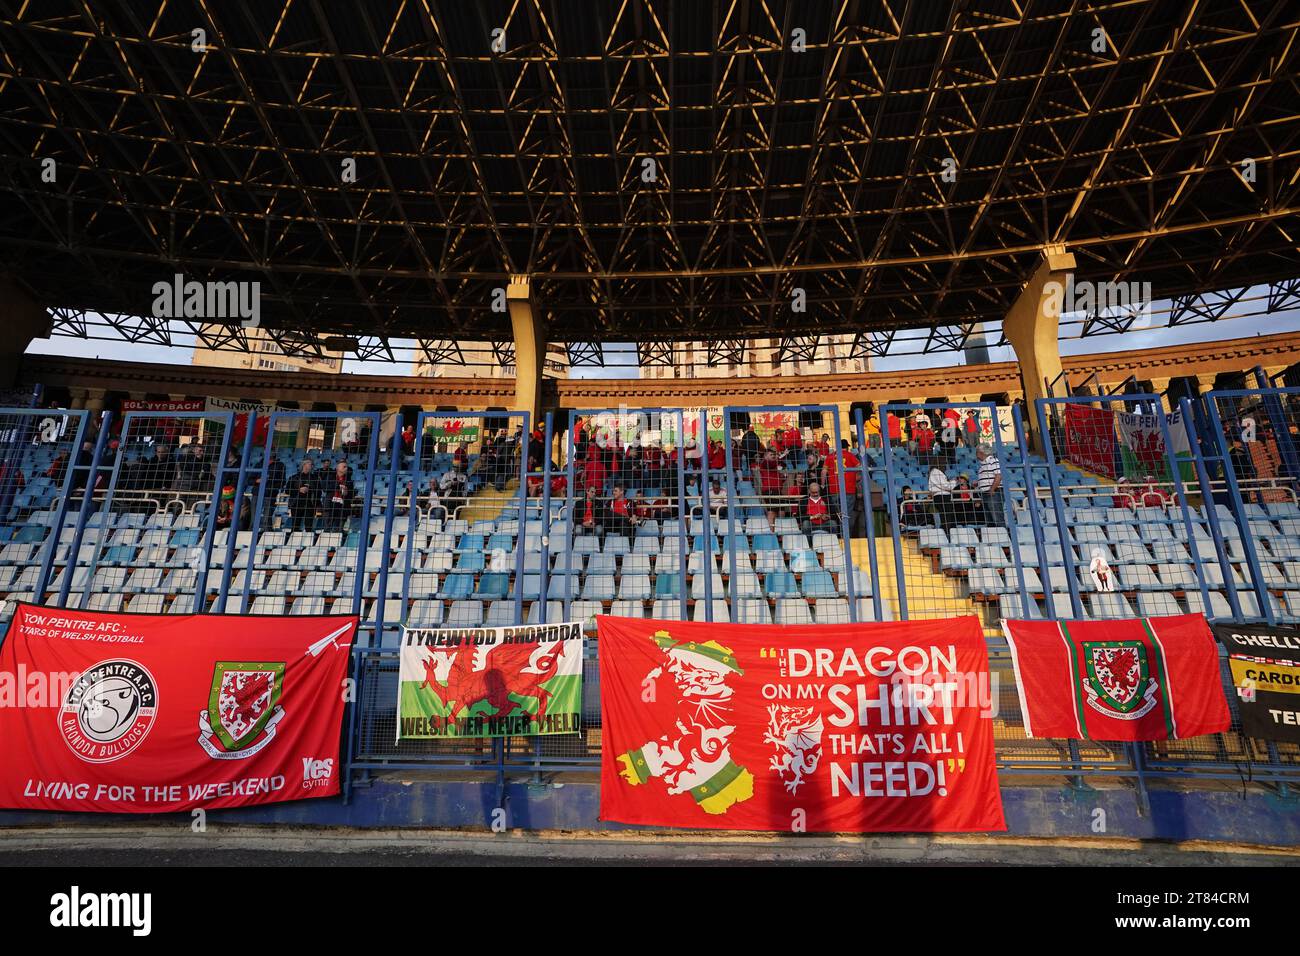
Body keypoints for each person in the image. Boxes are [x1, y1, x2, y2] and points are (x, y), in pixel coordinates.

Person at [286, 459, 322, 531]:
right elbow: (287, 491)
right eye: (310, 464)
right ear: (304, 465)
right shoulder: (294, 477)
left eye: (312, 465)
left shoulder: (315, 478)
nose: (312, 466)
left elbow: (319, 492)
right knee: (295, 525)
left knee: (309, 526)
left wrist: (311, 490)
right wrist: (299, 490)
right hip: (296, 503)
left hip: (310, 504)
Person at [976, 444, 1004, 527]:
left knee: (997, 518)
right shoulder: (982, 465)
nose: (976, 455)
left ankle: (1004, 536)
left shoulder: (993, 461)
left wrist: (992, 489)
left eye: (977, 452)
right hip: (985, 493)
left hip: (993, 493)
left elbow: (998, 476)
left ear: (981, 452)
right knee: (989, 519)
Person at [928, 465, 957, 530]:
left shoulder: (935, 472)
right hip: (942, 497)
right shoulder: (936, 471)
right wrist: (954, 482)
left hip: (941, 496)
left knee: (946, 518)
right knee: (947, 518)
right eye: (944, 463)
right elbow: (945, 485)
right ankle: (947, 534)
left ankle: (947, 533)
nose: (945, 465)